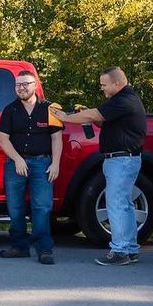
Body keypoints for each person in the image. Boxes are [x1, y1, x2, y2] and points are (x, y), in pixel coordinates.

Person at [52, 66, 146, 266]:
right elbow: (102, 120)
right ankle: (130, 249)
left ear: (117, 83)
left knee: (116, 204)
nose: (102, 88)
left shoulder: (124, 100)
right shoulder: (121, 100)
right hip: (121, 160)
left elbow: (95, 115)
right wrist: (88, 114)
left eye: (104, 85)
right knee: (124, 205)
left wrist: (65, 117)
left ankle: (120, 250)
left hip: (121, 160)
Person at [0, 70, 62, 265]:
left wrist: (56, 163)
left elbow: (56, 137)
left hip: (43, 164)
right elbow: (3, 139)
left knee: (41, 207)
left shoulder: (51, 109)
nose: (21, 88)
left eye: (25, 84)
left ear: (35, 85)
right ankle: (19, 247)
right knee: (15, 208)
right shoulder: (10, 110)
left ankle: (44, 249)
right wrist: (17, 159)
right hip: (16, 164)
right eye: (18, 85)